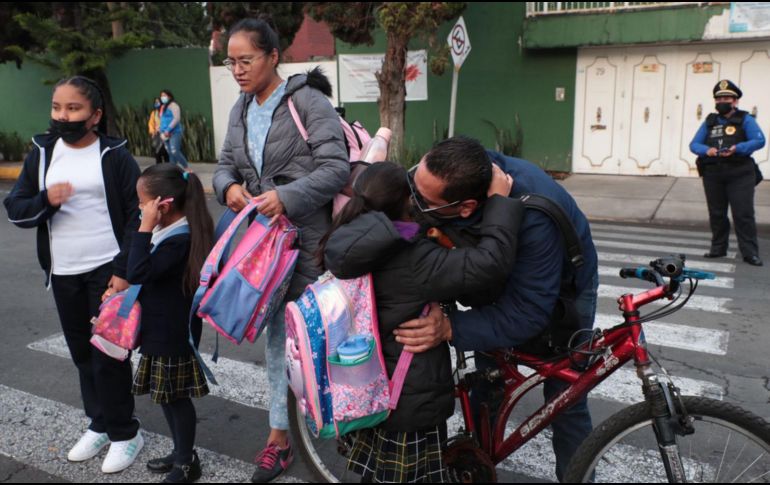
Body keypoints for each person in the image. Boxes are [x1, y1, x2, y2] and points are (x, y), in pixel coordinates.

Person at [391, 137, 600, 482]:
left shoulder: (535, 216)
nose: (412, 201)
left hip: (563, 291)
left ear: (466, 207)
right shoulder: (458, 169)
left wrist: (450, 329)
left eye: (423, 201)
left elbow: (528, 311)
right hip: (493, 283)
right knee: (487, 384)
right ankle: (476, 468)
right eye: (414, 182)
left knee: (566, 400)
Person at [321, 161, 522, 483]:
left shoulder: (353, 238)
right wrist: (500, 201)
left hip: (373, 385)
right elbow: (490, 263)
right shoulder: (413, 257)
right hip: (409, 399)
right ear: (407, 201)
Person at [212, 18, 349, 483]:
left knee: (318, 340)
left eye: (245, 60)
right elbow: (224, 165)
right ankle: (280, 437)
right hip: (265, 250)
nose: (237, 70)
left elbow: (337, 169)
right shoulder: (240, 108)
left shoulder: (308, 101)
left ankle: (336, 422)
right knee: (276, 343)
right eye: (231, 61)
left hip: (311, 246)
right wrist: (227, 187)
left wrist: (286, 197)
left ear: (273, 56)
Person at [3, 76, 143, 474]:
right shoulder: (43, 153)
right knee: (83, 354)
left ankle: (125, 432)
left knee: (110, 355)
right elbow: (16, 207)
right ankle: (99, 423)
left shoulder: (114, 155)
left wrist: (124, 271)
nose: (62, 116)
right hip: (64, 271)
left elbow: (138, 214)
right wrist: (46, 200)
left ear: (95, 115)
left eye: (73, 109)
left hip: (106, 270)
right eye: (56, 108)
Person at [124, 164, 214, 483]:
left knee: (175, 399)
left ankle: (188, 462)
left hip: (170, 333)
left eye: (142, 202)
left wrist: (144, 227)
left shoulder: (178, 241)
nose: (139, 208)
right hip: (160, 329)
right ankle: (181, 452)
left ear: (163, 205)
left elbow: (138, 271)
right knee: (166, 396)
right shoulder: (175, 230)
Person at [690, 79, 765, 267]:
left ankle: (750, 253)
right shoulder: (709, 121)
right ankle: (718, 248)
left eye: (727, 98)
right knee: (716, 213)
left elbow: (759, 140)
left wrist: (738, 148)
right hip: (714, 173)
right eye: (719, 98)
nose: (723, 101)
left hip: (740, 172)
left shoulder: (745, 119)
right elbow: (694, 144)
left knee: (743, 213)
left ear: (735, 101)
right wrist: (707, 151)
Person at [159, 89, 190, 170]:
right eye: (161, 96)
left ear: (169, 96)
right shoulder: (162, 107)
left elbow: (176, 118)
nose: (162, 97)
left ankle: (187, 168)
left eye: (164, 95)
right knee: (170, 153)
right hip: (164, 134)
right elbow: (161, 119)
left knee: (174, 151)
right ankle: (173, 170)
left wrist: (168, 129)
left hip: (174, 132)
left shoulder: (174, 105)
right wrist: (161, 131)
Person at [149, 97, 170, 164]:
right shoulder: (154, 113)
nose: (157, 104)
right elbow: (151, 124)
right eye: (156, 102)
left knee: (166, 153)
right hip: (157, 136)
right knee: (158, 153)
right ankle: (159, 169)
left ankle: (168, 168)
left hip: (165, 135)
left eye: (158, 102)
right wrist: (152, 131)